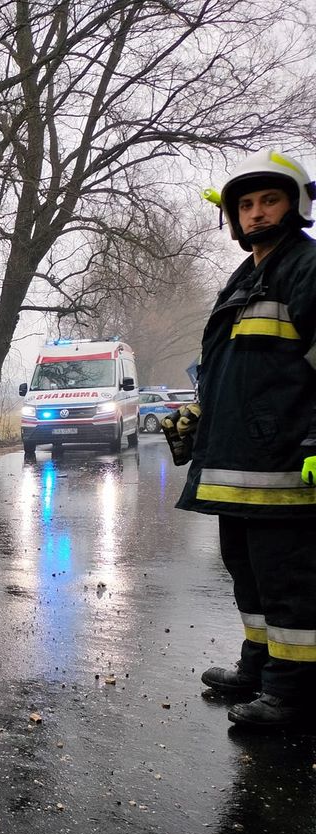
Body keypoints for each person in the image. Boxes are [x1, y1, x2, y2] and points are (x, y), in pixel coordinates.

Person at [174, 147, 316, 730]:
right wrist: (200, 421)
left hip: (285, 467)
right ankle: (259, 668)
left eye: (269, 200)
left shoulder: (305, 268)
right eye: (246, 205)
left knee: (289, 583)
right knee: (248, 573)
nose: (256, 214)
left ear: (296, 204)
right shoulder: (247, 276)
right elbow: (239, 374)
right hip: (241, 465)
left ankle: (295, 693)